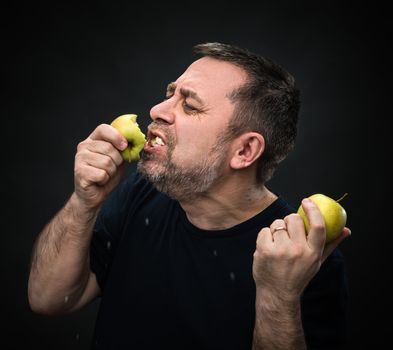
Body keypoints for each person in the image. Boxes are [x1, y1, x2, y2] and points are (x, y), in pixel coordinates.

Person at [28, 42, 350, 349]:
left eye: (189, 105)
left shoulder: (302, 256)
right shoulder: (143, 192)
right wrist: (84, 203)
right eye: (170, 94)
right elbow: (48, 299)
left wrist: (278, 297)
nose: (157, 110)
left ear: (245, 150)